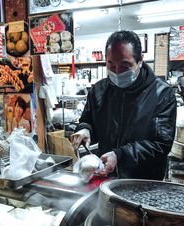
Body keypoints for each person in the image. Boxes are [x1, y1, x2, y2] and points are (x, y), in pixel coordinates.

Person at [70, 30, 177, 180]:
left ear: (140, 60)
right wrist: (85, 130)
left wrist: (120, 155)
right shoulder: (99, 90)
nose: (117, 72)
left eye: (125, 65)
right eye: (111, 65)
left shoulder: (161, 94)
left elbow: (161, 145)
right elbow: (87, 120)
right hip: (106, 176)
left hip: (144, 182)